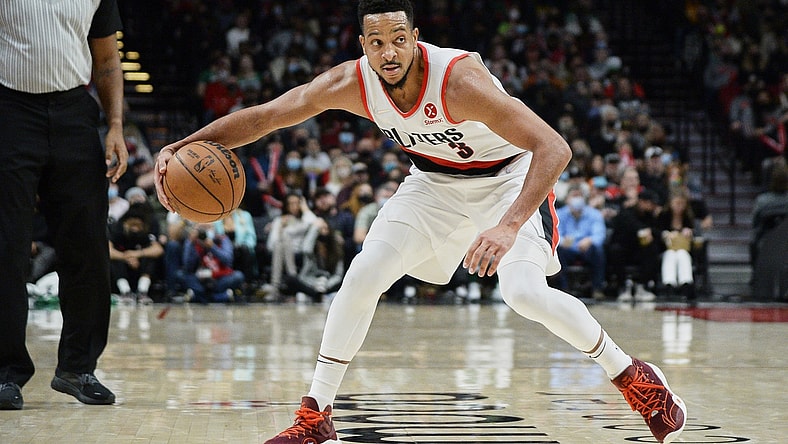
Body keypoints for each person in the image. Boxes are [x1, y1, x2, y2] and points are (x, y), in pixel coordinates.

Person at [153, 2, 686, 442]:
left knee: (523, 293)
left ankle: (631, 374)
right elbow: (269, 115)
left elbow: (555, 147)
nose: (388, 53)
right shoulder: (353, 82)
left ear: (414, 38)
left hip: (508, 178)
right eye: (376, 42)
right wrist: (182, 146)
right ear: (363, 45)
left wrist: (507, 226)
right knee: (363, 274)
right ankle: (317, 415)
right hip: (433, 185)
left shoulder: (460, 82)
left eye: (398, 40)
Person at [0, 0, 125, 410]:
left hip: (75, 113)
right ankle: (4, 372)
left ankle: (78, 367)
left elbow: (106, 60)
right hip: (10, 111)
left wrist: (116, 126)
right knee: (7, 248)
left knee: (88, 247)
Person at [555, 184, 607, 300]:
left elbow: (599, 235)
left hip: (587, 249)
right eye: (574, 196)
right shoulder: (559, 214)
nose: (577, 199)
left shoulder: (594, 214)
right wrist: (562, 241)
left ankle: (597, 289)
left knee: (598, 250)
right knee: (557, 250)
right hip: (567, 249)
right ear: (567, 199)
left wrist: (590, 240)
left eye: (579, 196)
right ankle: (564, 289)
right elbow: (555, 234)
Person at [108, 203, 165, 305]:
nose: (135, 228)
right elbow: (108, 250)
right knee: (115, 260)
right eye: (132, 225)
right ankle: (125, 292)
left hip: (140, 269)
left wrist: (137, 254)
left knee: (150, 258)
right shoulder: (117, 231)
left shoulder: (145, 234)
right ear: (125, 223)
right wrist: (125, 257)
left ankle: (142, 291)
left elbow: (158, 249)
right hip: (121, 271)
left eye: (137, 225)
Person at [178, 223, 244, 303]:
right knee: (180, 274)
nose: (204, 231)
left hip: (219, 278)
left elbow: (228, 261)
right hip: (199, 278)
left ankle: (198, 297)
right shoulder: (192, 241)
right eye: (202, 228)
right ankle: (223, 296)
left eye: (207, 227)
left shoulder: (222, 239)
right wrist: (191, 243)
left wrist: (212, 247)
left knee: (238, 276)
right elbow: (187, 266)